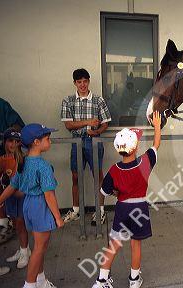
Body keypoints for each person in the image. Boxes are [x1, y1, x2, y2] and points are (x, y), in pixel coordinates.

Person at [92, 111, 161, 288]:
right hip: (139, 208)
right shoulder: (145, 163)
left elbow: (104, 191)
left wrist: (118, 193)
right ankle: (134, 280)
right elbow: (156, 145)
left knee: (113, 245)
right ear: (136, 147)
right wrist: (157, 126)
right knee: (135, 245)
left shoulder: (114, 170)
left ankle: (101, 280)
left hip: (122, 209)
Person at [0, 123, 64, 288]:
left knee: (38, 246)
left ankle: (40, 280)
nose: (50, 142)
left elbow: (12, 186)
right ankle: (29, 284)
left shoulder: (23, 161)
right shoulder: (43, 166)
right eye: (47, 139)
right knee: (40, 248)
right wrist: (58, 217)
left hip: (27, 206)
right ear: (36, 142)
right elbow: (49, 194)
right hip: (39, 206)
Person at [61, 68, 111, 225]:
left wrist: (97, 132)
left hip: (93, 142)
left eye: (85, 81)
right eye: (79, 82)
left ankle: (100, 211)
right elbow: (69, 125)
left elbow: (105, 123)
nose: (82, 85)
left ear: (88, 81)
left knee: (98, 175)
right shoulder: (68, 101)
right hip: (76, 142)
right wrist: (88, 122)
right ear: (75, 83)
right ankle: (76, 210)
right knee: (75, 175)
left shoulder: (98, 100)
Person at [0, 128, 31, 268]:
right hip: (8, 197)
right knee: (15, 223)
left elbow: (25, 183)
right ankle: (24, 248)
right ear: (5, 142)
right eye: (10, 141)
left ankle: (25, 252)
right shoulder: (1, 160)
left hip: (19, 196)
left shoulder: (22, 159)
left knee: (20, 224)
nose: (13, 144)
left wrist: (18, 191)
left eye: (17, 141)